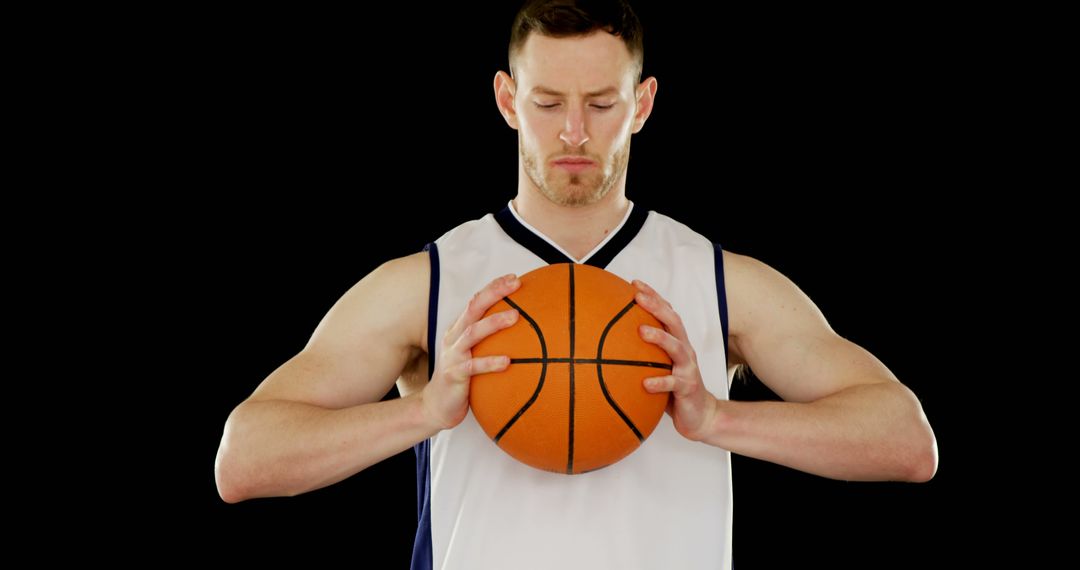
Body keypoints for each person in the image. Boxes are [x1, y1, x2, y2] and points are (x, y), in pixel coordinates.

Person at [214, 1, 938, 568]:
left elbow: (906, 443)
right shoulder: (429, 283)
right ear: (506, 100)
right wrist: (425, 412)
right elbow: (243, 461)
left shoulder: (719, 281)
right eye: (547, 102)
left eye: (600, 103)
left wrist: (717, 418)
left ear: (643, 104)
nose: (572, 133)